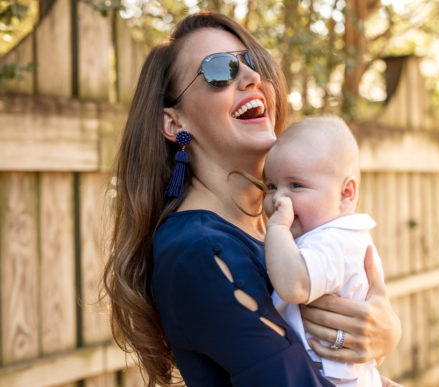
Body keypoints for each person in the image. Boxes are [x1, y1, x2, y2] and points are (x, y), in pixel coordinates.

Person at [102, 11, 401, 387]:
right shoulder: (199, 251)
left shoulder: (282, 225)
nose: (252, 77)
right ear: (174, 123)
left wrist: (382, 334)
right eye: (219, 69)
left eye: (254, 62)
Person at [264, 116, 393, 386]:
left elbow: (294, 285)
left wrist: (276, 230)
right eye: (271, 186)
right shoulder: (328, 235)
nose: (278, 198)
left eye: (296, 185)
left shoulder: (333, 241)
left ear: (346, 193)